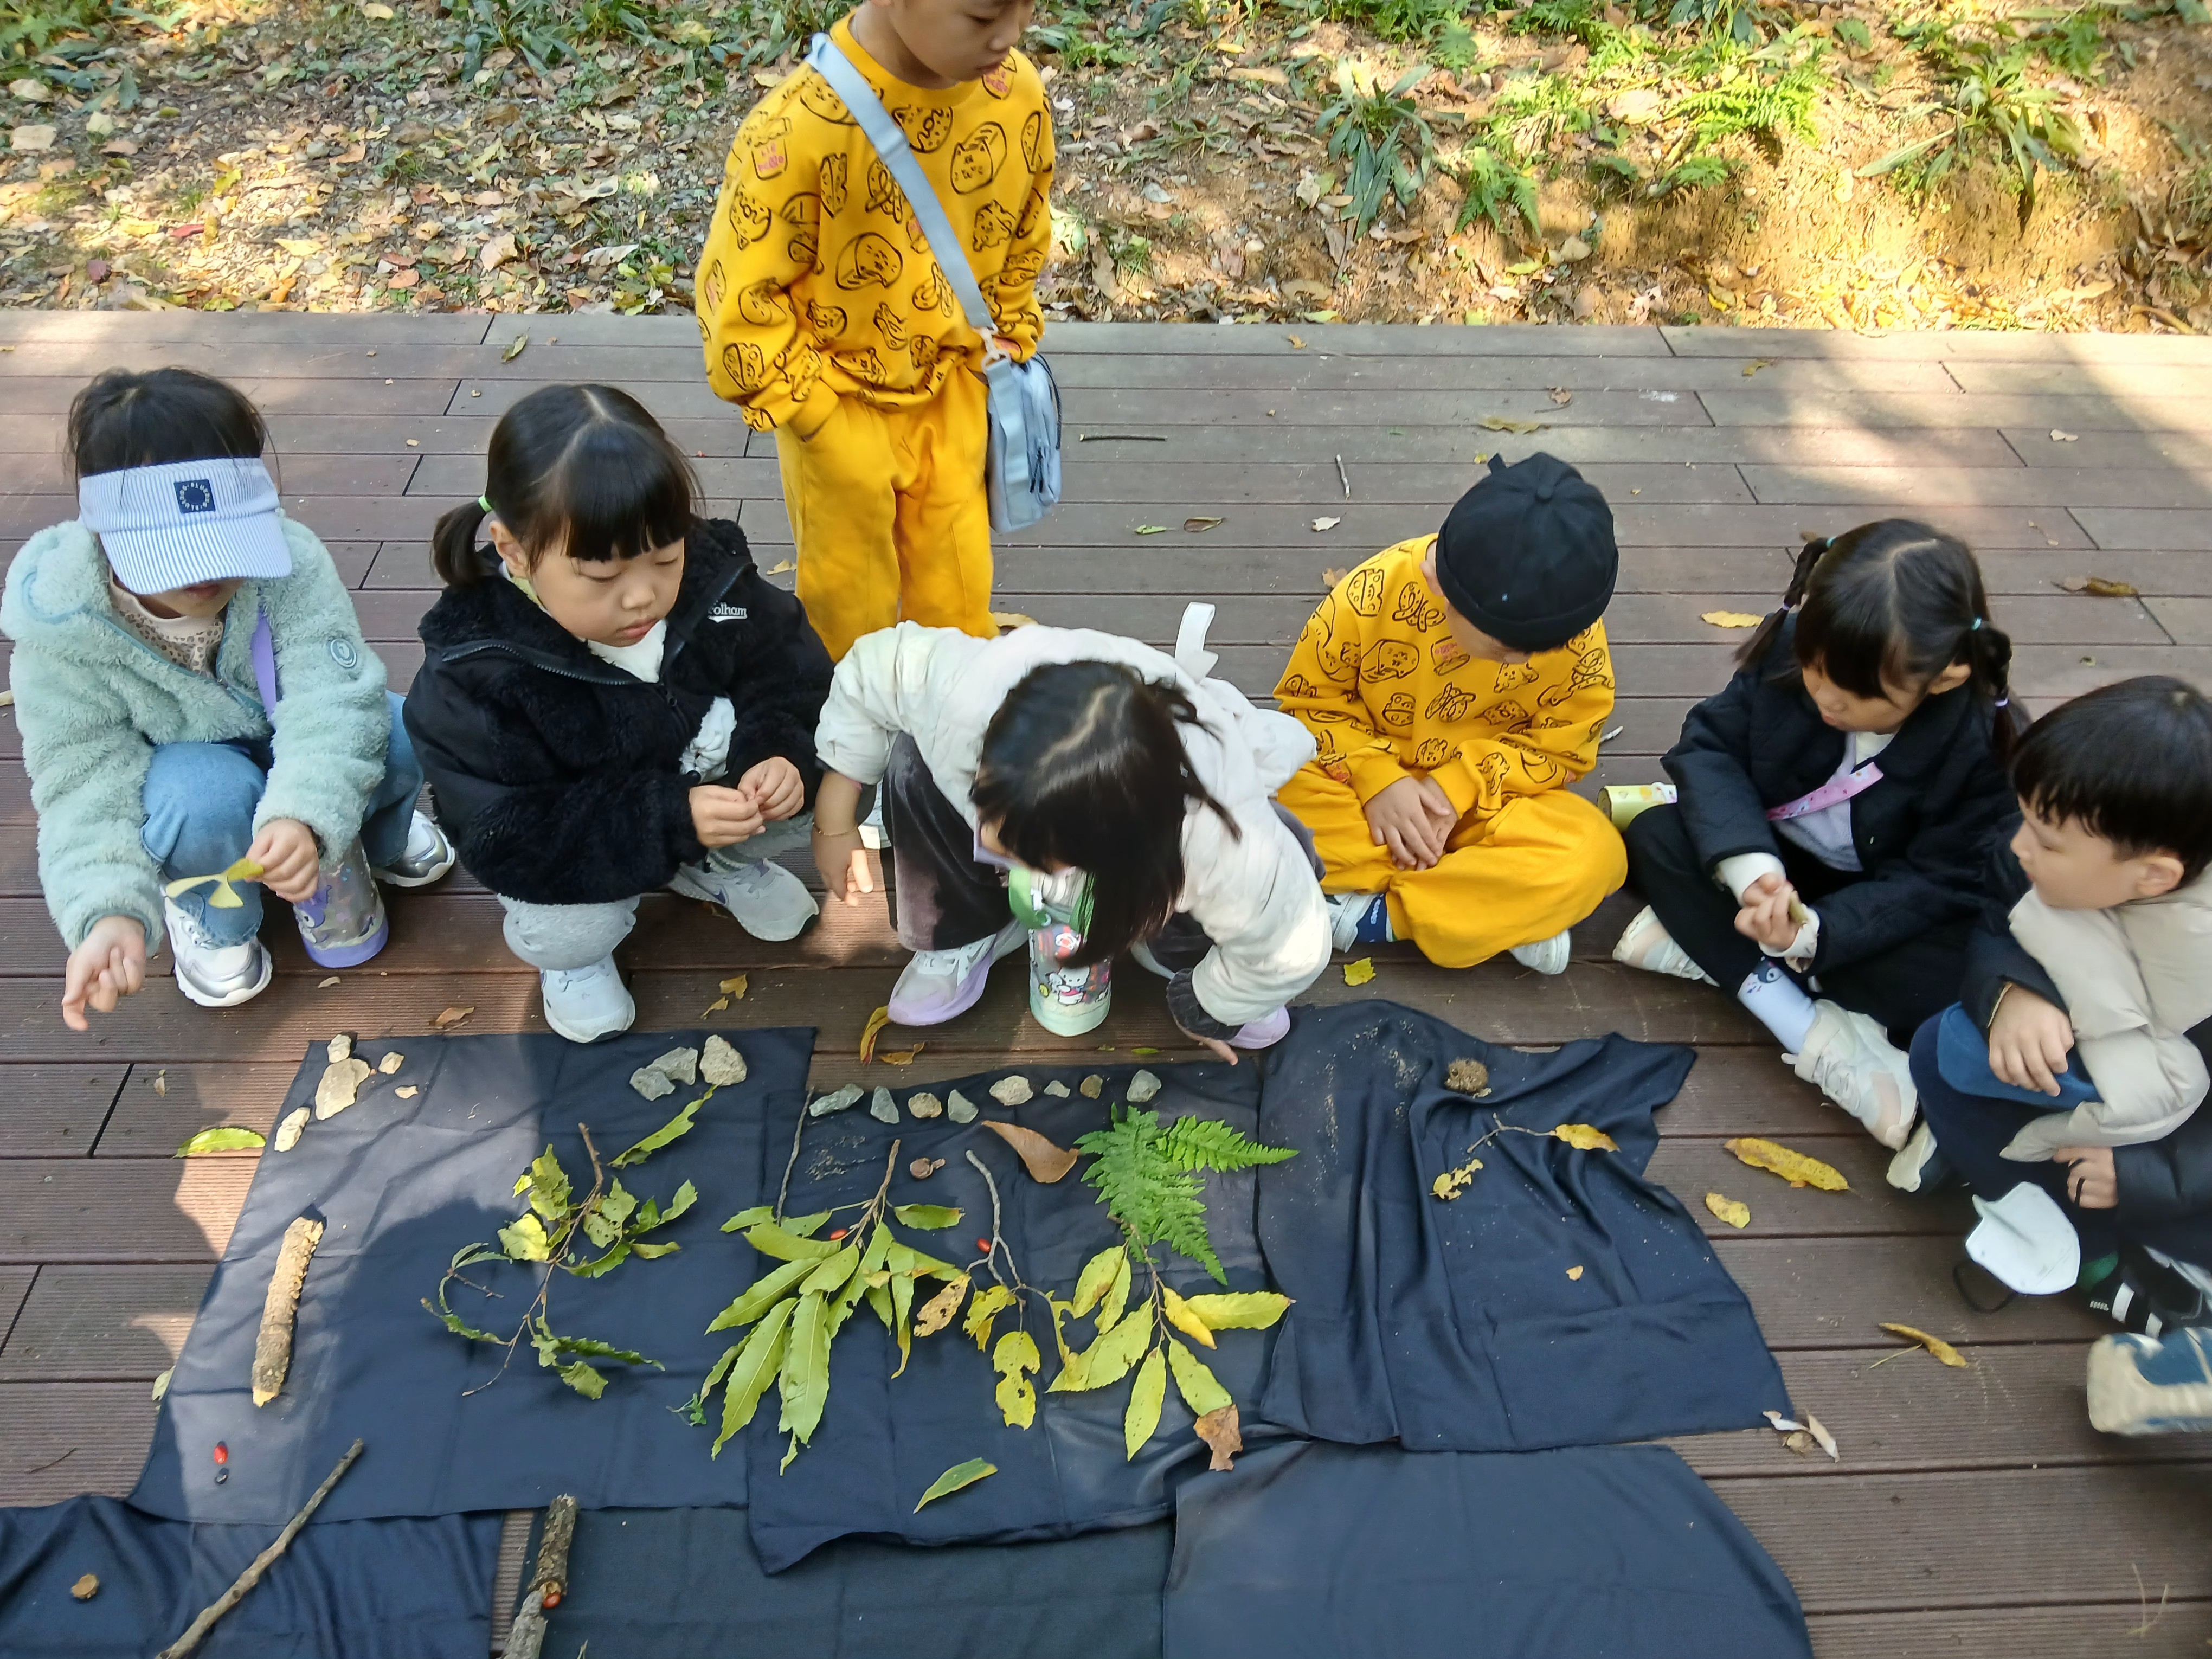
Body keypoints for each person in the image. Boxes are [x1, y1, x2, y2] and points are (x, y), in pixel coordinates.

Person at [2, 368, 448, 1028]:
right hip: (185, 775)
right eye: (174, 555)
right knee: (203, 797)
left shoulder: (286, 563)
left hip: (289, 738)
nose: (208, 575)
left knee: (392, 723)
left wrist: (301, 814)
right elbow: (82, 783)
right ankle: (215, 913)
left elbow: (331, 698)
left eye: (224, 543)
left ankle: (372, 836)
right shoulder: (64, 629)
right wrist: (108, 911)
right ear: (101, 533)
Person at [403, 385, 833, 1044]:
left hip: (690, 787)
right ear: (514, 550)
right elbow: (503, 833)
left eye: (665, 558)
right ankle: (576, 962)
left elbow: (790, 671)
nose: (643, 597)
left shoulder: (715, 575)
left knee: (838, 771)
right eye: (600, 578)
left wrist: (777, 752)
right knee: (569, 924)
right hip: (588, 842)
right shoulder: (474, 670)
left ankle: (716, 867)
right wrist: (667, 818)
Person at [1615, 520, 2022, 1149]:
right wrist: (1754, 875)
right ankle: (1808, 1024)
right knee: (1653, 836)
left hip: (1872, 904)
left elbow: (1945, 881)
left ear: (1946, 676)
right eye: (1814, 671)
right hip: (1776, 861)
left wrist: (1817, 932)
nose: (1828, 699)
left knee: (1952, 981)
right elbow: (1708, 749)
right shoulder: (1795, 651)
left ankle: (1730, 961)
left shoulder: (1982, 747)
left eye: (1861, 696)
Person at [696, 0, 1052, 661]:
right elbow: (739, 302)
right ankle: (847, 752)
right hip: (838, 402)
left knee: (958, 591)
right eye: (982, 17)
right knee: (847, 614)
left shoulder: (1014, 92)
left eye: (1026, 9)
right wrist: (817, 416)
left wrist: (1005, 336)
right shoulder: (796, 130)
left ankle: (947, 730)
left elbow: (1024, 223)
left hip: (955, 386)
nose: (1009, 37)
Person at [806, 613, 1332, 1058]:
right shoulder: (965, 693)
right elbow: (877, 667)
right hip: (1028, 768)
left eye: (1035, 853)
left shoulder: (1217, 836)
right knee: (912, 764)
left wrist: (1213, 1005)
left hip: (1170, 865)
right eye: (991, 810)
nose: (993, 836)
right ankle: (964, 931)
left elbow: (1290, 942)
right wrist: (836, 808)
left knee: (1273, 869)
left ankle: (1176, 949)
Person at [1890, 678, 2212, 1336]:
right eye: (2026, 817)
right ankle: (2077, 1240)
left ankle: (2116, 1270)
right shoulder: (2047, 846)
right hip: (2097, 1085)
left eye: (2047, 839)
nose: (2020, 846)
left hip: (2184, 1147)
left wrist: (2144, 1176)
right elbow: (1997, 922)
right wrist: (2011, 990)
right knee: (1938, 1049)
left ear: (2154, 877)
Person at [1272, 452, 1625, 975]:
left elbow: (1561, 751)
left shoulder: (1574, 639)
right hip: (1358, 791)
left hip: (1482, 808)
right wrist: (1377, 778)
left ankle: (1377, 916)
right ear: (1437, 583)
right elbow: (1306, 707)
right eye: (1507, 651)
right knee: (1266, 791)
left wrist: (1457, 787)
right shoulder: (1373, 595)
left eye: (1541, 649)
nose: (1525, 662)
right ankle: (1488, 908)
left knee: (1595, 851)